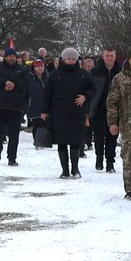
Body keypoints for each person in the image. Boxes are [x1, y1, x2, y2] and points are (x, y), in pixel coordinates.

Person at [104, 48, 131, 200]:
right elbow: (112, 102)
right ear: (128, 59)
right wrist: (112, 123)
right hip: (128, 125)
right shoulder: (119, 79)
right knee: (128, 158)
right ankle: (130, 189)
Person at [45, 47, 93, 178]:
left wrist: (85, 97)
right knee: (61, 142)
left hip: (77, 113)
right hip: (59, 113)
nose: (71, 61)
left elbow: (92, 89)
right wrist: (44, 110)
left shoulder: (83, 74)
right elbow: (47, 94)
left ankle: (75, 169)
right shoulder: (55, 75)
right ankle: (64, 170)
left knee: (75, 141)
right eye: (69, 59)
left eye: (74, 59)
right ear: (63, 59)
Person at [0, 46, 28, 165]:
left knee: (14, 134)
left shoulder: (21, 70)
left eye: (14, 56)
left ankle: (12, 158)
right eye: (10, 56)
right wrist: (4, 82)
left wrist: (15, 85)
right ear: (5, 57)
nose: (12, 58)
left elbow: (25, 83)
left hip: (15, 107)